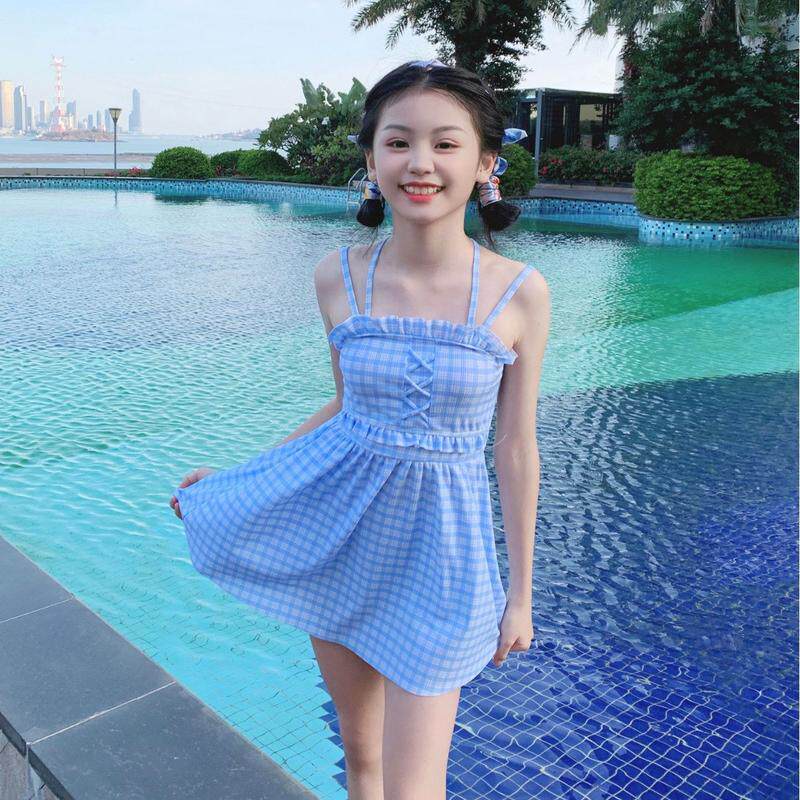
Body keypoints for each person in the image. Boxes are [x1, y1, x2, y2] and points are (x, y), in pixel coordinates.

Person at [169, 58, 550, 800]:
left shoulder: (520, 292)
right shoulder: (337, 277)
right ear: (372, 161)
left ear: (485, 164)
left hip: (443, 562)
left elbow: (514, 446)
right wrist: (237, 480)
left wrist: (521, 595)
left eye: (445, 144)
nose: (420, 163)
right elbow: (344, 410)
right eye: (398, 142)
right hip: (342, 542)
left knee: (413, 787)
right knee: (361, 759)